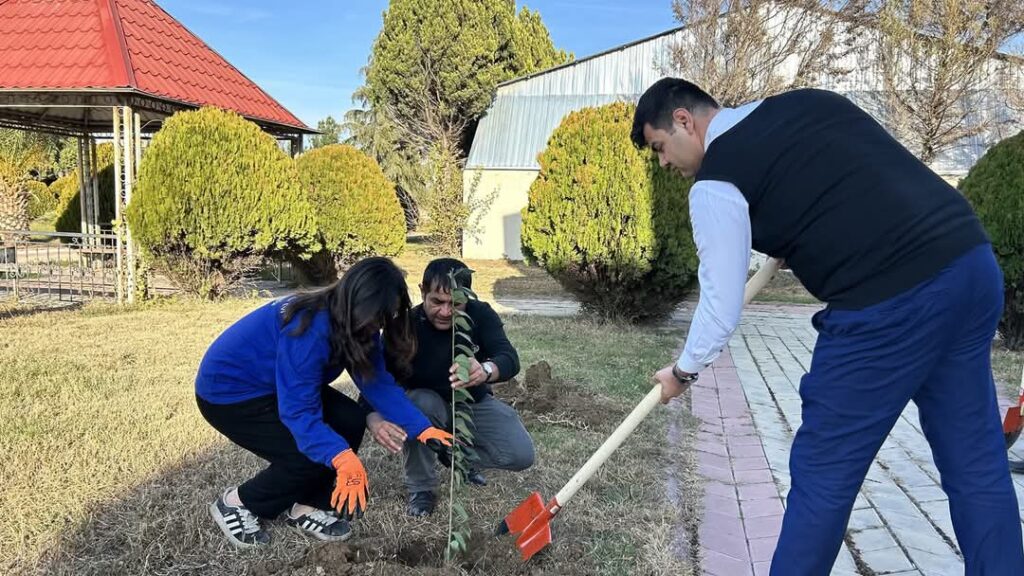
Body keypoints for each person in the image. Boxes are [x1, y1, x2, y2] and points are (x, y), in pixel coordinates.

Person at [632, 78, 1023, 574]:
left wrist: (683, 372)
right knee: (977, 464)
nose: (664, 163)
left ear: (684, 121)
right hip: (970, 267)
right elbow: (851, 182)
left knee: (823, 476)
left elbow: (720, 305)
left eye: (661, 147)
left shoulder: (717, 180)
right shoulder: (804, 103)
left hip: (888, 306)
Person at [194, 257, 453, 548]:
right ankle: (237, 502)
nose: (376, 328)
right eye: (373, 318)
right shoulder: (310, 328)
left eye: (383, 318)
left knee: (351, 419)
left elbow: (377, 382)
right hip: (230, 394)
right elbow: (299, 412)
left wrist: (422, 428)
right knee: (306, 455)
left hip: (279, 385)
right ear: (353, 301)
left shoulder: (359, 323)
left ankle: (306, 506)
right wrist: (342, 459)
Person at [362, 258, 535, 517]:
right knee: (419, 405)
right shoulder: (403, 326)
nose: (445, 312)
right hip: (425, 408)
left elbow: (509, 358)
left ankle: (456, 457)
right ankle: (422, 489)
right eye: (437, 302)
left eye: (455, 304)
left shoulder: (481, 314)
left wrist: (485, 371)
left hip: (472, 403)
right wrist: (373, 418)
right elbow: (375, 381)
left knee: (521, 454)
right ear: (422, 291)